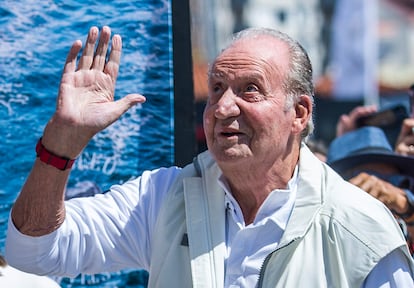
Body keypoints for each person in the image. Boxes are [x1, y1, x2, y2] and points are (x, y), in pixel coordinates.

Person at [5, 26, 414, 287]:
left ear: (300, 113)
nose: (222, 107)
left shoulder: (360, 229)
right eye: (216, 87)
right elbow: (34, 252)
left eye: (249, 89)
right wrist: (61, 143)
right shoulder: (165, 198)